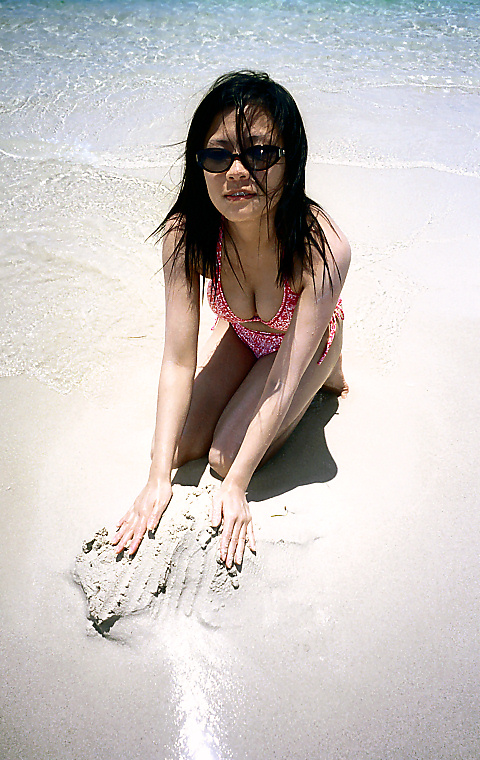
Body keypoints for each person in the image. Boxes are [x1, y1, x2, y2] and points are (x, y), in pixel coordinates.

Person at [113, 70, 350, 569]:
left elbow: (283, 378)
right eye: (218, 155)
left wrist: (238, 484)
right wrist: (157, 479)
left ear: (291, 160)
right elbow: (178, 360)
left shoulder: (322, 248)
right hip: (245, 332)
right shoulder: (186, 236)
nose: (237, 171)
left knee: (224, 458)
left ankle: (333, 364)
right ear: (198, 163)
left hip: (301, 346)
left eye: (260, 153)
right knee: (176, 448)